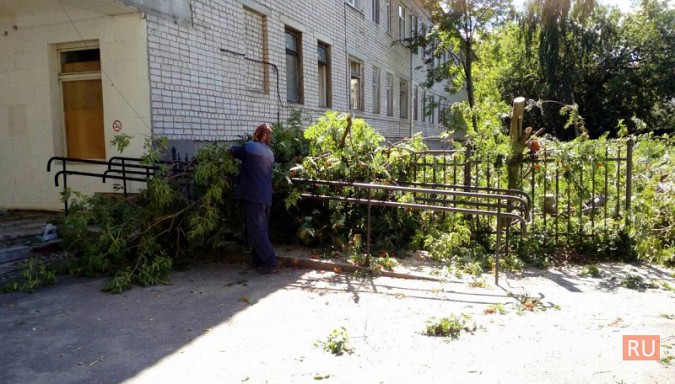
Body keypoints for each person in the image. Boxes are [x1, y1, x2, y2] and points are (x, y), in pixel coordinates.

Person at [230, 124, 280, 274]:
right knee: (260, 228)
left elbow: (233, 151)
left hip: (253, 195)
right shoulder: (269, 153)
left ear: (256, 134)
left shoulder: (250, 147)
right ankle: (258, 261)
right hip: (265, 196)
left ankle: (271, 262)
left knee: (256, 230)